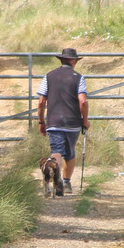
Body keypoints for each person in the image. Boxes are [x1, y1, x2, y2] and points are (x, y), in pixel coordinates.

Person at [36, 48, 91, 195]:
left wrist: (41, 122)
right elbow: (83, 101)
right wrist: (85, 120)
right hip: (72, 122)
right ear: (74, 61)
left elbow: (41, 102)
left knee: (56, 151)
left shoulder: (49, 76)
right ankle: (65, 182)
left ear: (61, 60)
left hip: (53, 121)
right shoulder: (79, 78)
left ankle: (54, 178)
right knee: (70, 152)